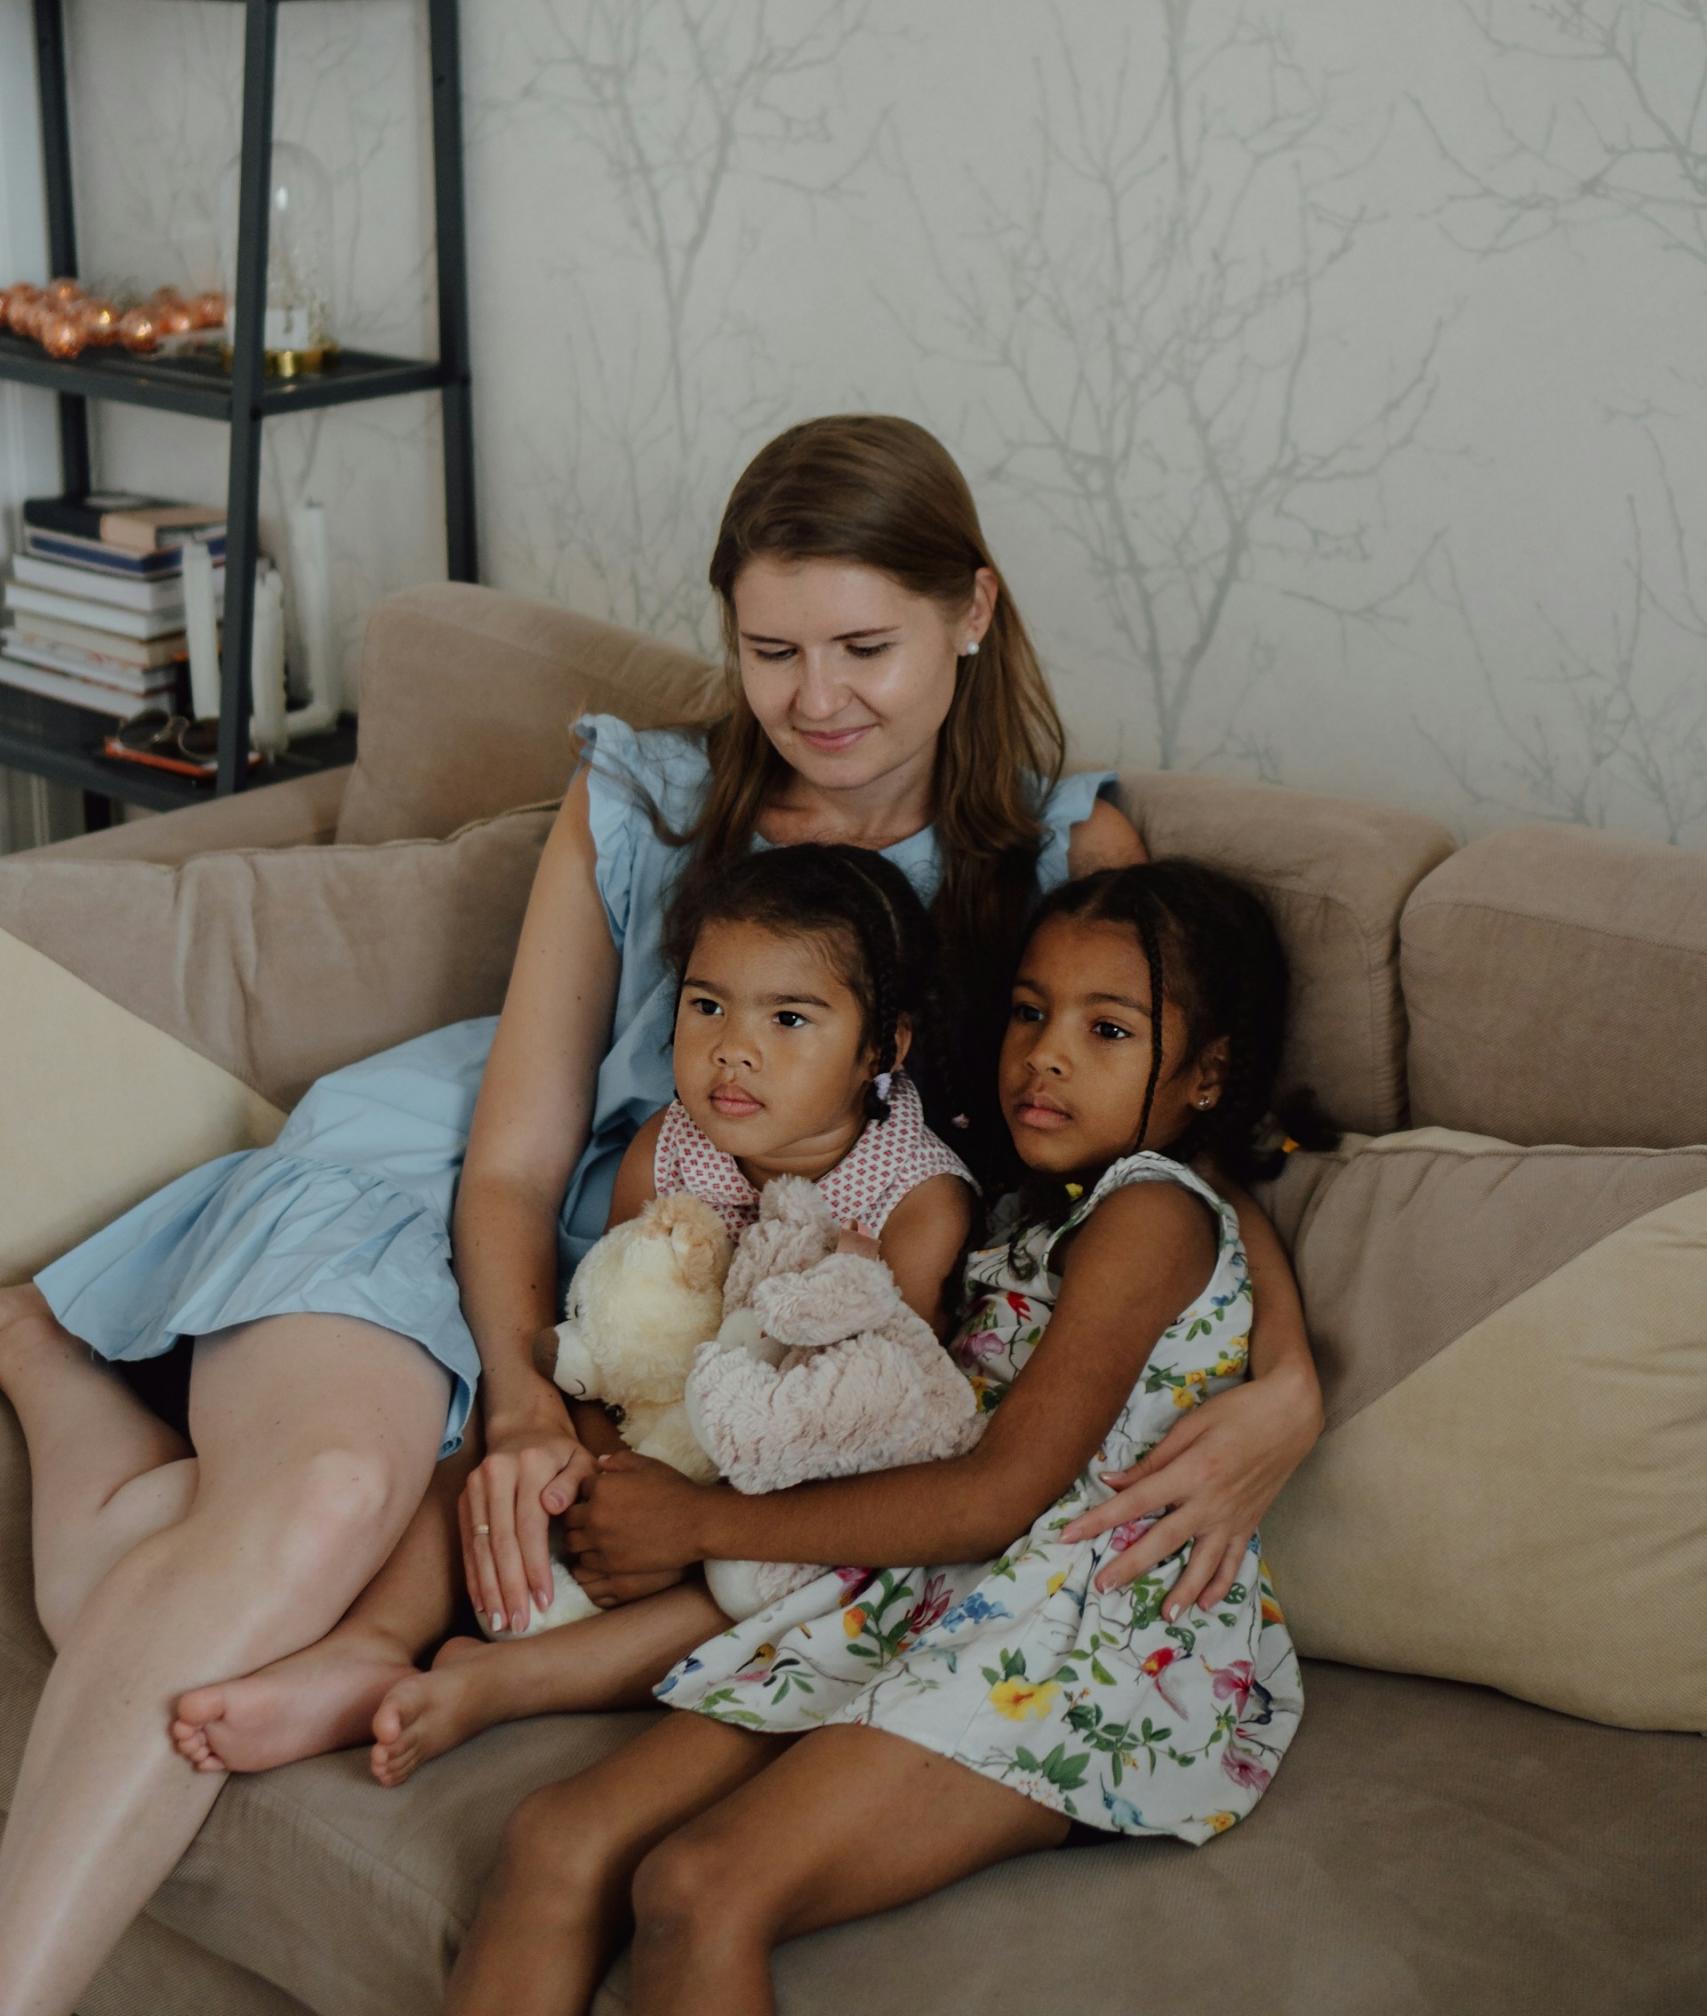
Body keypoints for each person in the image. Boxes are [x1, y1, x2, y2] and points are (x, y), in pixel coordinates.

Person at [0, 414, 1319, 2016]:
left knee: (190, 1586)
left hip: (677, 1286)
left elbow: (1166, 1150)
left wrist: (1289, 1385)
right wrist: (520, 1398)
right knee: (328, 1497)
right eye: (770, 648)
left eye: (863, 647)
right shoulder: (643, 792)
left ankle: (65, 1387)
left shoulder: (1056, 846)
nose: (816, 700)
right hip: (450, 1188)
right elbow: (510, 1154)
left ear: (972, 612)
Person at [445, 859, 1308, 2016]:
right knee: (557, 1838)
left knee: (699, 1888)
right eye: (1028, 1013)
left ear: (1208, 1070)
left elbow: (1000, 1496)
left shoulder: (1152, 1211)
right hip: (915, 1589)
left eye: (1108, 1029)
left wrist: (703, 1519)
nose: (1046, 1053)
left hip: (1078, 1632)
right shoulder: (1007, 1192)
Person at [370, 838, 977, 1783]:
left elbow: (877, 1411)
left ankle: (496, 1683)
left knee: (748, 1595)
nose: (731, 1048)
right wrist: (596, 1469)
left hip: (778, 1496)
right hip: (641, 1445)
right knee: (482, 1461)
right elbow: (600, 1335)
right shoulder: (670, 1144)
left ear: (882, 1047)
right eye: (706, 1006)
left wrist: (685, 1520)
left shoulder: (916, 1202)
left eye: (788, 1017)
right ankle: (369, 1642)